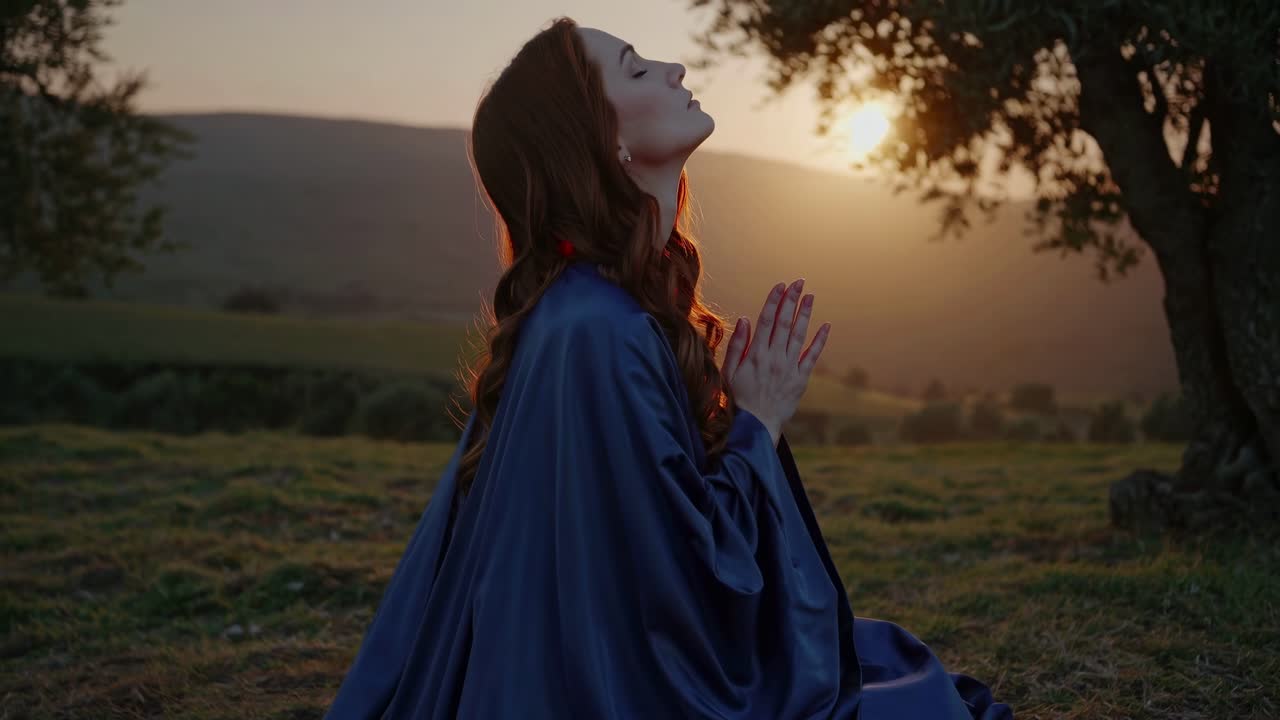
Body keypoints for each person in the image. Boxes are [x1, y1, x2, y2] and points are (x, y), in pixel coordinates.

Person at [324, 16, 1012, 720]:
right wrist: (758, 421)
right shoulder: (601, 333)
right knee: (917, 698)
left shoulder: (591, 312)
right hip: (625, 687)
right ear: (605, 141)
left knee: (892, 665)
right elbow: (685, 582)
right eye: (634, 67)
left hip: (587, 667)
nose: (673, 69)